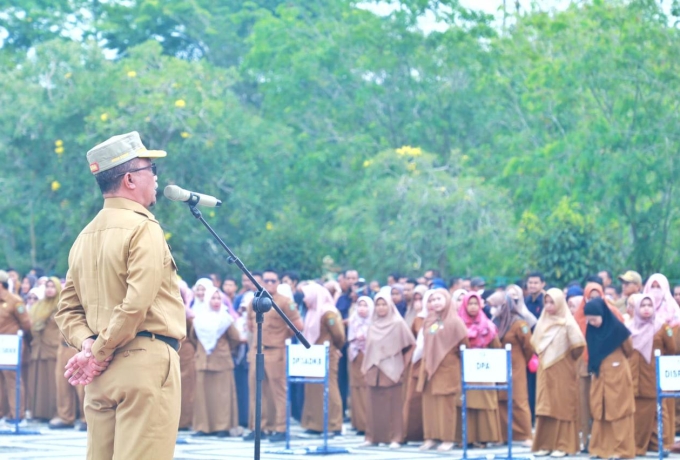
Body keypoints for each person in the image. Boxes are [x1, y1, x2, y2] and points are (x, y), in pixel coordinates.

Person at [54, 131, 186, 460]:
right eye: (149, 170)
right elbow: (136, 304)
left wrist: (89, 345)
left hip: (100, 377)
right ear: (129, 179)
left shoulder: (85, 236)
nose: (155, 178)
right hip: (142, 361)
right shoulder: (144, 228)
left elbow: (66, 311)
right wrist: (97, 351)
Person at [244, 269, 302, 443]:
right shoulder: (254, 301)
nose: (269, 284)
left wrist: (280, 337)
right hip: (257, 349)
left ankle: (281, 428)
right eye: (266, 281)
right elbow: (249, 321)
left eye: (273, 281)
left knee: (278, 391)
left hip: (275, 351)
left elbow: (298, 325)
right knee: (257, 390)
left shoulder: (285, 302)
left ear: (278, 282)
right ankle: (258, 427)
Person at [530, 288, 585, 457]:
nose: (548, 306)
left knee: (562, 406)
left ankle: (563, 445)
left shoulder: (568, 323)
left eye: (552, 302)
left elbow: (578, 347)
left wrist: (566, 360)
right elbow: (535, 344)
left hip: (563, 370)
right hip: (544, 370)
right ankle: (546, 444)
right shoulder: (542, 322)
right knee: (545, 406)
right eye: (546, 302)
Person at [573, 282, 625, 451]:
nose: (594, 301)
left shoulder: (612, 313)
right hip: (584, 363)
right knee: (584, 404)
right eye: (590, 297)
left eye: (597, 297)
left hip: (604, 364)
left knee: (601, 404)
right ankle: (585, 440)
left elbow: (622, 337)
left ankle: (603, 442)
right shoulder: (579, 316)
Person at [416, 288, 469, 452]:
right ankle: (430, 437)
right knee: (430, 404)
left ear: (447, 300)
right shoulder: (431, 320)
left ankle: (448, 439)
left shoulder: (455, 321)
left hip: (447, 368)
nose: (435, 303)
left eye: (439, 299)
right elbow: (427, 342)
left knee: (446, 406)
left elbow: (464, 346)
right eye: (432, 300)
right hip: (429, 368)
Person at [360, 292, 415, 448]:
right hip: (373, 368)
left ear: (390, 305)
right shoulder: (372, 324)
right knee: (373, 405)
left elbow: (410, 344)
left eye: (384, 304)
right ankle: (372, 437)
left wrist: (403, 365)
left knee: (393, 405)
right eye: (378, 304)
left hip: (392, 368)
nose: (381, 307)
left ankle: (395, 437)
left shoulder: (398, 323)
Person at [583, 298, 635, 459]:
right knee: (600, 411)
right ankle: (599, 449)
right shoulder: (591, 330)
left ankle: (621, 450)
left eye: (594, 319)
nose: (592, 323)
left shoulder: (618, 330)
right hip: (599, 377)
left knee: (618, 411)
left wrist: (616, 362)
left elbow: (629, 350)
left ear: (603, 315)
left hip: (617, 375)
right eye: (589, 320)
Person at [190, 286, 242, 436]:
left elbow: (235, 338)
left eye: (219, 298)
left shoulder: (225, 319)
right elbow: (193, 337)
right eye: (213, 298)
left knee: (222, 396)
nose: (216, 301)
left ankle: (222, 427)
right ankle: (203, 427)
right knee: (203, 396)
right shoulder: (198, 319)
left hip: (222, 362)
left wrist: (224, 349)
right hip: (203, 360)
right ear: (207, 299)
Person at [627, 294, 675, 455]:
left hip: (653, 375)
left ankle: (651, 445)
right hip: (634, 377)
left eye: (649, 305)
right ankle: (647, 445)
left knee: (654, 411)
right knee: (642, 412)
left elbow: (672, 348)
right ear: (636, 308)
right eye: (642, 305)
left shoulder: (661, 327)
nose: (646, 308)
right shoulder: (629, 327)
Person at [454, 292, 502, 448]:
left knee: (485, 402)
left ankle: (484, 438)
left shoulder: (488, 325)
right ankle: (466, 438)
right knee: (466, 402)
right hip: (465, 369)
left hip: (484, 368)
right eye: (470, 303)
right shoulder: (458, 325)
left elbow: (496, 347)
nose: (473, 307)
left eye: (476, 303)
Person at [487, 292, 534, 446]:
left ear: (505, 305)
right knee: (501, 399)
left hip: (516, 367)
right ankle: (504, 435)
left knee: (518, 399)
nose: (493, 309)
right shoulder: (497, 322)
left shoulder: (520, 324)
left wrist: (520, 362)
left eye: (496, 306)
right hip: (499, 366)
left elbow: (529, 347)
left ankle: (525, 435)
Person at [300, 283, 346, 436]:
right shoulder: (312, 312)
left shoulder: (328, 313)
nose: (305, 299)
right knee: (313, 388)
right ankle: (315, 424)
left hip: (327, 356)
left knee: (329, 388)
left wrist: (335, 349)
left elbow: (339, 336)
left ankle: (334, 424)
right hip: (312, 355)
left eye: (307, 295)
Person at [27, 276, 62, 422]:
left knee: (53, 383)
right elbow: (30, 323)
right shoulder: (38, 306)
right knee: (38, 381)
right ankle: (39, 413)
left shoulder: (62, 305)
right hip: (38, 347)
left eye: (52, 286)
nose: (49, 289)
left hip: (54, 348)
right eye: (47, 286)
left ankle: (55, 413)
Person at [0, 270, 31, 422]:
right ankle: (3, 413)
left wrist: (15, 336)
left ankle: (18, 415)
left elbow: (26, 324)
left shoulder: (15, 301)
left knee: (13, 379)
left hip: (10, 346)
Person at [347, 296, 372, 435]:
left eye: (365, 305)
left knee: (365, 390)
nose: (362, 308)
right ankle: (357, 422)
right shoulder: (353, 320)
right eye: (360, 305)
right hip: (354, 356)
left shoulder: (374, 323)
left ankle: (366, 424)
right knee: (355, 389)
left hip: (367, 356)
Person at [177, 279, 196, 431]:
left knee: (186, 388)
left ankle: (184, 421)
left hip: (185, 352)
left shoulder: (187, 313)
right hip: (172, 351)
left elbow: (193, 333)